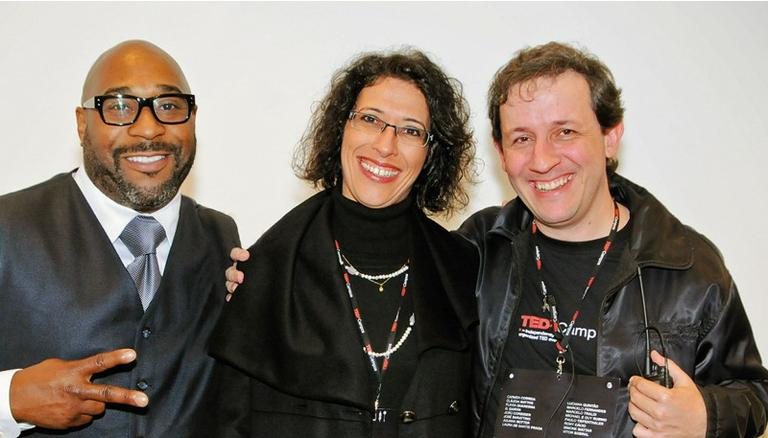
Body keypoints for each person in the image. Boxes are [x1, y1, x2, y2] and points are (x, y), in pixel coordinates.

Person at [458, 41, 768, 437]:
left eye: (564, 132)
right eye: (522, 139)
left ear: (609, 137)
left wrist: (706, 416)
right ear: (501, 153)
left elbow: (754, 393)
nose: (541, 160)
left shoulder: (687, 265)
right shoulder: (480, 247)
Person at [203, 49, 478, 437]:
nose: (386, 145)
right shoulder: (267, 269)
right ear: (341, 129)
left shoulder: (463, 270)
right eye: (370, 120)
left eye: (411, 130)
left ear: (431, 153)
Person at [0, 40, 239, 437]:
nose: (149, 128)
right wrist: (10, 400)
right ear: (82, 122)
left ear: (193, 117)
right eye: (120, 107)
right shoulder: (8, 227)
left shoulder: (223, 240)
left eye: (169, 105)